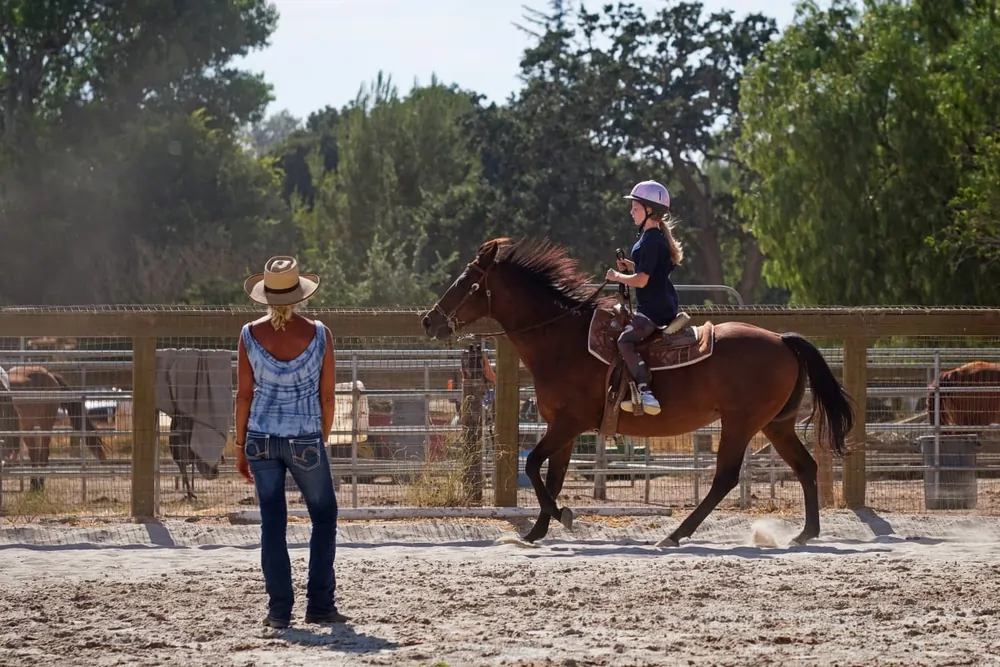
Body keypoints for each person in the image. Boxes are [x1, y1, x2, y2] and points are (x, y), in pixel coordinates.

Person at [234, 255, 349, 629]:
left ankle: (279, 612)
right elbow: (328, 396)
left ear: (265, 296)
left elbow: (243, 395)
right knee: (324, 515)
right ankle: (319, 604)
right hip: (305, 437)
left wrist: (240, 445)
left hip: (260, 439)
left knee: (273, 522)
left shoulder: (249, 335)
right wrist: (322, 436)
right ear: (299, 294)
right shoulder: (320, 334)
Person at [604, 180, 685, 416]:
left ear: (650, 211)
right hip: (661, 302)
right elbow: (652, 269)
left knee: (624, 341)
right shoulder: (655, 237)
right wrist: (629, 266)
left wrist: (616, 275)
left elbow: (642, 281)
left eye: (635, 208)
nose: (631, 212)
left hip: (654, 310)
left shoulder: (651, 240)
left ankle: (645, 390)